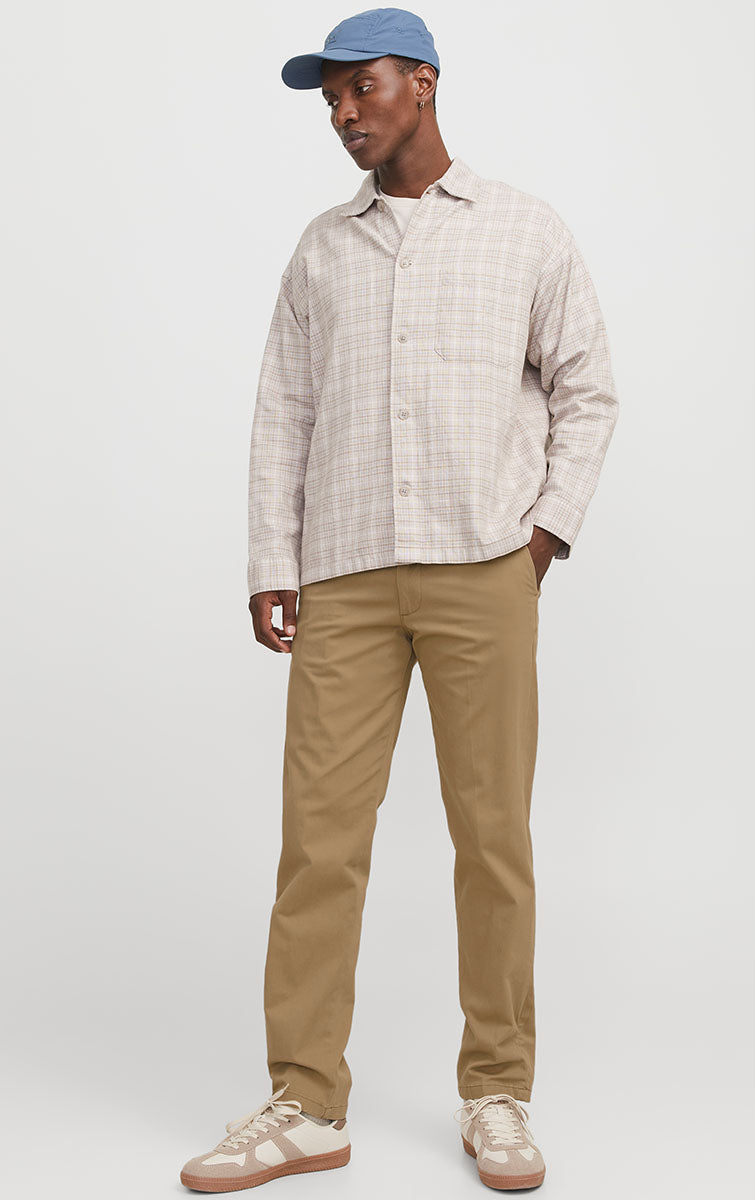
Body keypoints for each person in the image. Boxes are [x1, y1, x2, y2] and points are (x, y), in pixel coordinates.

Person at [180, 6, 619, 1193]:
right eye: (329, 99)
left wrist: (542, 534)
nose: (342, 113)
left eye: (359, 87)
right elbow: (283, 411)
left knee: (492, 838)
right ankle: (304, 1102)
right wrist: (271, 560)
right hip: (343, 572)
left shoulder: (523, 229)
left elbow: (585, 387)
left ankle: (497, 1091)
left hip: (483, 566)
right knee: (318, 841)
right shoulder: (321, 250)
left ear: (420, 81)